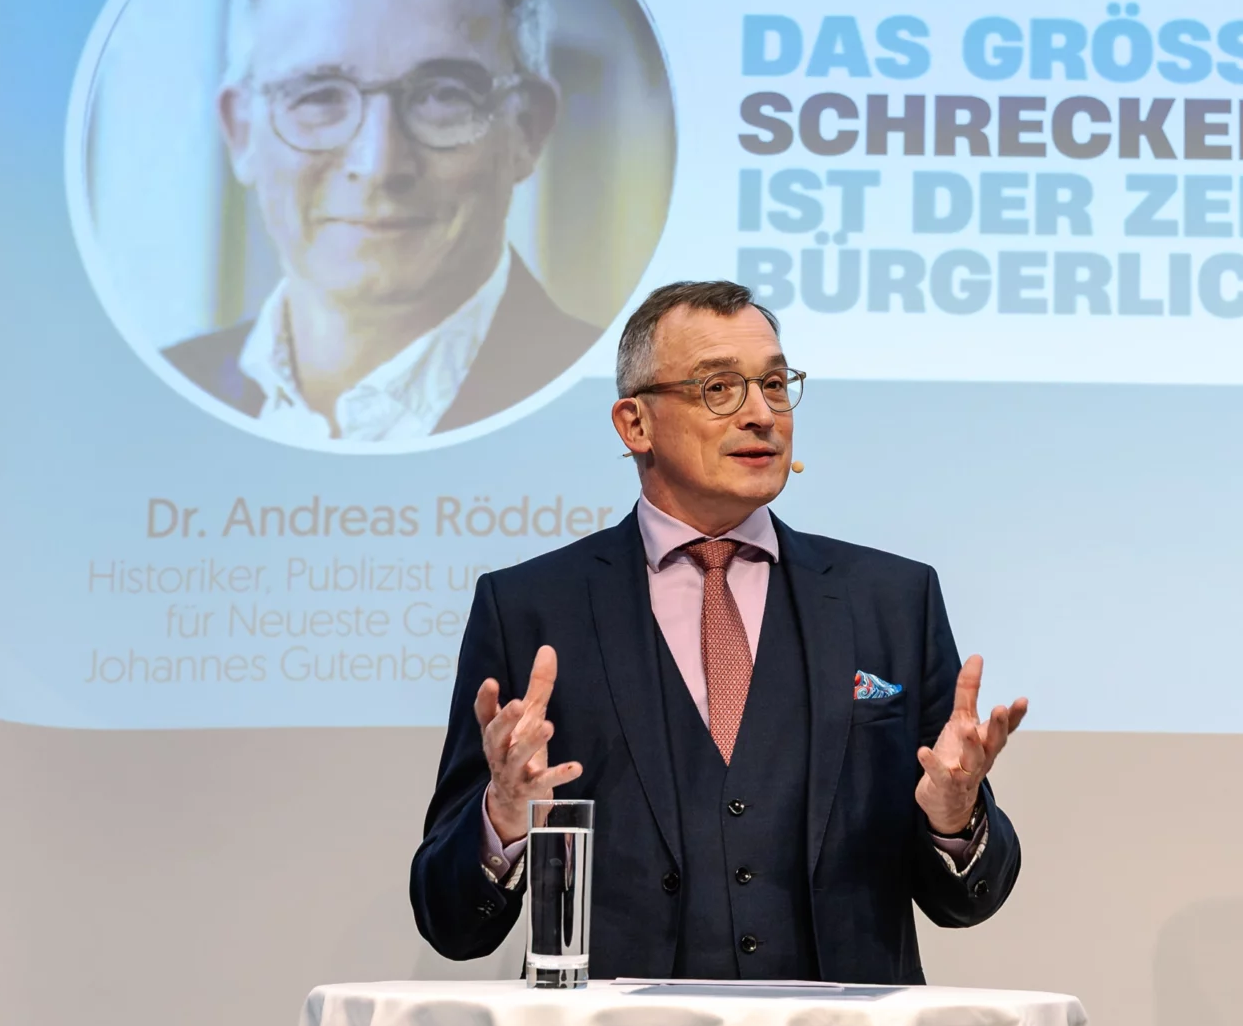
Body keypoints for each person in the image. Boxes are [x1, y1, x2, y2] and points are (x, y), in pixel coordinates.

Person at [409, 279, 1029, 981]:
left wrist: (955, 818)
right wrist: (504, 816)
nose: (762, 414)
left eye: (774, 384)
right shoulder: (528, 608)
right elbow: (449, 920)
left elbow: (965, 902)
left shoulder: (891, 600)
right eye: (719, 389)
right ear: (634, 423)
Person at [163, 0, 596, 441]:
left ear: (527, 129)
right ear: (242, 133)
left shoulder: (621, 409)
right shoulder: (146, 405)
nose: (379, 164)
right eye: (318, 96)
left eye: (443, 95)